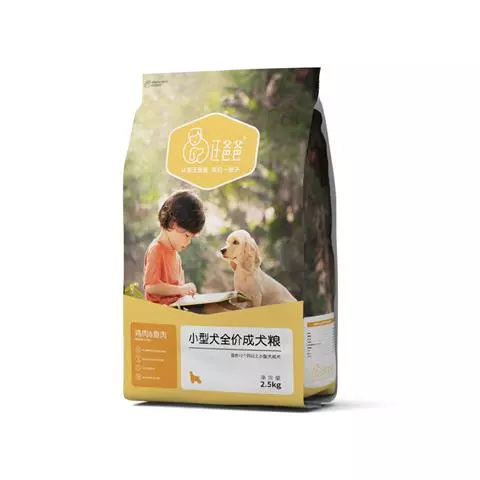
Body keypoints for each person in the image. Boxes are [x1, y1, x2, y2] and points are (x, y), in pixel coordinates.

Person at [143, 190, 205, 305]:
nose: (188, 242)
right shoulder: (156, 250)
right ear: (173, 223)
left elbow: (177, 292)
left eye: (191, 238)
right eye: (187, 236)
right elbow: (151, 287)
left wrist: (187, 292)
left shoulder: (176, 256)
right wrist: (180, 290)